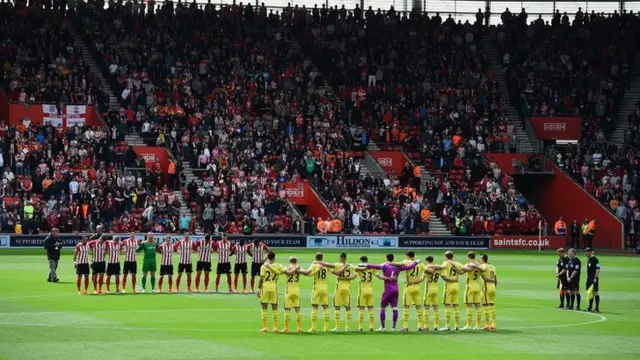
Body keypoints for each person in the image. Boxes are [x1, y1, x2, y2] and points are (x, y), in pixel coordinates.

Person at [366, 254, 419, 331]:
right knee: (394, 308)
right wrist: (416, 262)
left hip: (387, 289)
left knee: (383, 308)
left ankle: (383, 327)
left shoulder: (385, 265)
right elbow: (409, 267)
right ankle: (393, 327)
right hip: (396, 289)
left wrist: (365, 264)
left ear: (386, 258)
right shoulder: (398, 267)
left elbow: (376, 266)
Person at [315, 253, 357, 331]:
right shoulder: (350, 265)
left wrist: (318, 262)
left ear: (341, 257)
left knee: (337, 307)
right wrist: (349, 278)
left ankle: (337, 327)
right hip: (348, 288)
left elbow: (328, 265)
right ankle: (348, 327)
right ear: (346, 258)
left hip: (339, 288)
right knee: (348, 307)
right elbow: (357, 271)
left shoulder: (338, 264)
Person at [258, 251, 299, 332]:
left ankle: (265, 327)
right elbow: (289, 272)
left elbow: (261, 278)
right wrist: (296, 268)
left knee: (264, 308)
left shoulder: (263, 266)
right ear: (274, 258)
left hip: (265, 287)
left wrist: (259, 289)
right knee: (274, 308)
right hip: (274, 287)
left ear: (268, 257)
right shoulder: (278, 265)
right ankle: (275, 327)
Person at [299, 253, 330, 332]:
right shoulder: (326, 265)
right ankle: (326, 328)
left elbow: (307, 273)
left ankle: (314, 327)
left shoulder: (314, 265)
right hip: (325, 288)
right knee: (325, 307)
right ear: (322, 257)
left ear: (315, 258)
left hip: (317, 288)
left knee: (315, 306)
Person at [396, 251, 426, 331]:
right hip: (417, 287)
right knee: (418, 306)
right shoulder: (421, 263)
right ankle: (420, 325)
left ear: (407, 256)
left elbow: (399, 265)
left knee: (406, 306)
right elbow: (426, 272)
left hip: (409, 287)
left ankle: (405, 326)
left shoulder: (406, 261)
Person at [440, 251, 465, 331]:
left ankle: (447, 326)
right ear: (452, 256)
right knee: (456, 306)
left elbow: (442, 268)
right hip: (456, 285)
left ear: (445, 256)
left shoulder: (445, 263)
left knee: (447, 305)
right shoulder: (457, 263)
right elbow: (463, 271)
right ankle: (457, 326)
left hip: (449, 285)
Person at [474, 254, 497, 330]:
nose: (480, 260)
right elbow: (495, 279)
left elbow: (484, 276)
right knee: (492, 305)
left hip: (487, 287)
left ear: (483, 259)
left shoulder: (484, 266)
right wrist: (494, 286)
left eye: (480, 259)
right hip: (493, 287)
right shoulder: (492, 267)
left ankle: (487, 325)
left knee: (486, 306)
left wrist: (475, 265)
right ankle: (493, 324)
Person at [354, 255, 377, 331]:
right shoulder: (372, 267)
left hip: (362, 291)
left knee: (361, 309)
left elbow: (353, 277)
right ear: (367, 260)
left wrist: (345, 278)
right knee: (371, 308)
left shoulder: (359, 267)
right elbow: (379, 276)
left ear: (361, 260)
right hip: (370, 290)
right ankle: (371, 327)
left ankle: (360, 327)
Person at [461, 252, 483, 330]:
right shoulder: (479, 265)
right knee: (478, 306)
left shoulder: (468, 264)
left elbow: (462, 270)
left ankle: (468, 325)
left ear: (468, 257)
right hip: (477, 287)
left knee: (469, 306)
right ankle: (477, 325)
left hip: (470, 287)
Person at [282, 256, 303, 333]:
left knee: (287, 310)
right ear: (296, 261)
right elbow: (306, 272)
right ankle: (299, 327)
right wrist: (297, 269)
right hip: (297, 290)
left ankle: (286, 328)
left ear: (289, 261)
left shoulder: (287, 267)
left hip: (289, 290)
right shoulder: (299, 267)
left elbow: (285, 272)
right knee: (298, 309)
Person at [585, 248, 601, 312]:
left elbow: (598, 269)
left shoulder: (595, 259)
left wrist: (595, 278)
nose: (585, 253)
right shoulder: (589, 259)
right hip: (589, 278)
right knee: (590, 292)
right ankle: (590, 307)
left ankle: (597, 308)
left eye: (586, 252)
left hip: (593, 278)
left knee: (595, 292)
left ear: (590, 252)